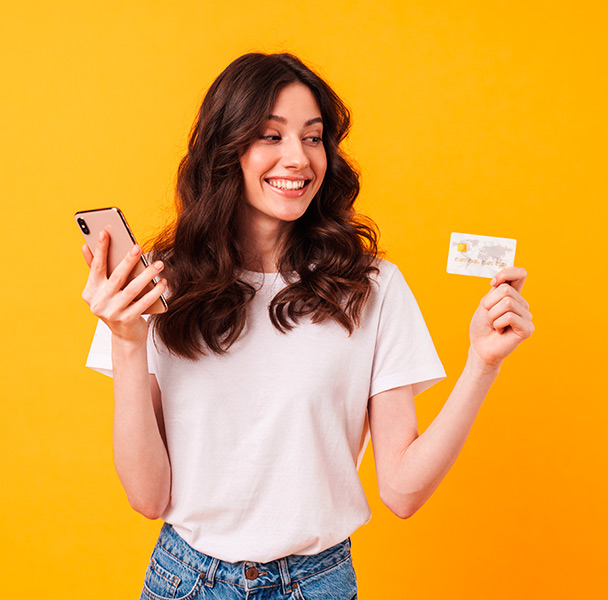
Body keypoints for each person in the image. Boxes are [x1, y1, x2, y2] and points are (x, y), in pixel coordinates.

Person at [80, 52, 534, 599]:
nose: (297, 158)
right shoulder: (158, 284)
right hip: (186, 581)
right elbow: (147, 497)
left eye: (313, 138)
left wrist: (482, 363)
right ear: (227, 150)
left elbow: (403, 493)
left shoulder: (370, 286)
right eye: (271, 136)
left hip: (315, 584)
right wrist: (128, 341)